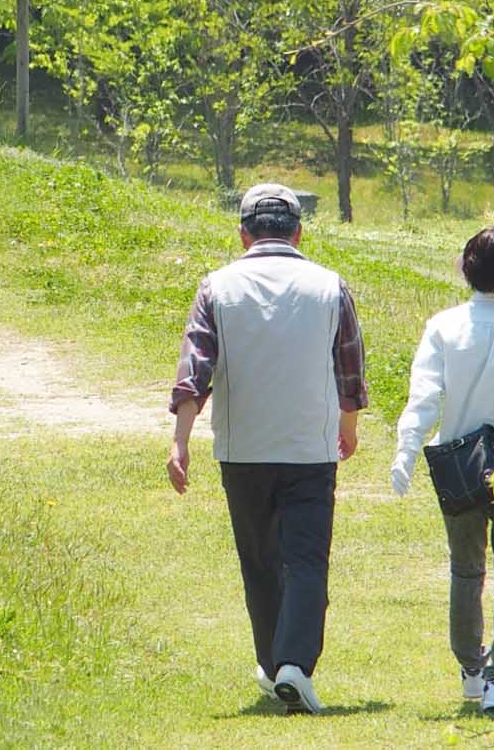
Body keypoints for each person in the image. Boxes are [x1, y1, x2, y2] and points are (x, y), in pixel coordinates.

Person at [167, 183, 368, 715]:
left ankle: (276, 662)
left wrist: (180, 442)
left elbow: (195, 371)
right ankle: (293, 666)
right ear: (300, 232)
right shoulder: (330, 286)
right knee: (306, 559)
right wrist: (348, 425)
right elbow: (350, 366)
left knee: (259, 560)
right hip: (310, 446)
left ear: (242, 235)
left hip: (244, 447)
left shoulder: (217, 287)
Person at [389, 226, 494, 716]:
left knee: (466, 571)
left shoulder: (445, 325)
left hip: (462, 468)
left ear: (468, 266)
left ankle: (471, 670)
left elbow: (423, 397)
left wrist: (406, 450)